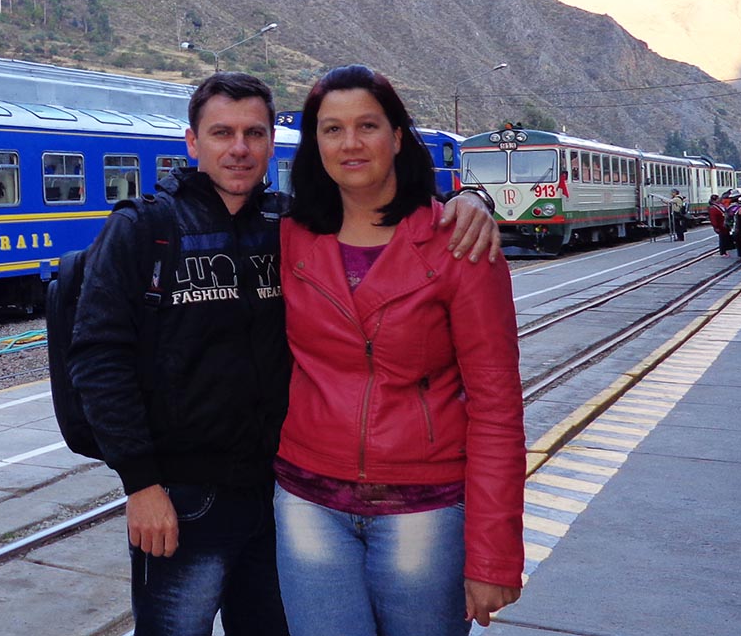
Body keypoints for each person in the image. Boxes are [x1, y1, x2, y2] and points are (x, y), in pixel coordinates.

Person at [68, 71, 501, 636]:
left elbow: (376, 211)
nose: (240, 148)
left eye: (255, 132)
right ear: (192, 143)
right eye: (222, 133)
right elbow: (98, 357)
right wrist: (140, 483)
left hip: (280, 495)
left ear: (274, 142)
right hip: (182, 498)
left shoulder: (288, 225)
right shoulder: (144, 229)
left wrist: (471, 198)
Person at [273, 65, 525, 636]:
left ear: (398, 136)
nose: (351, 143)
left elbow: (497, 407)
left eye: (367, 125)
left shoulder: (460, 244)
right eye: (331, 129)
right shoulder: (289, 238)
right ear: (315, 145)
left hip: (426, 508)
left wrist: (494, 556)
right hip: (307, 502)